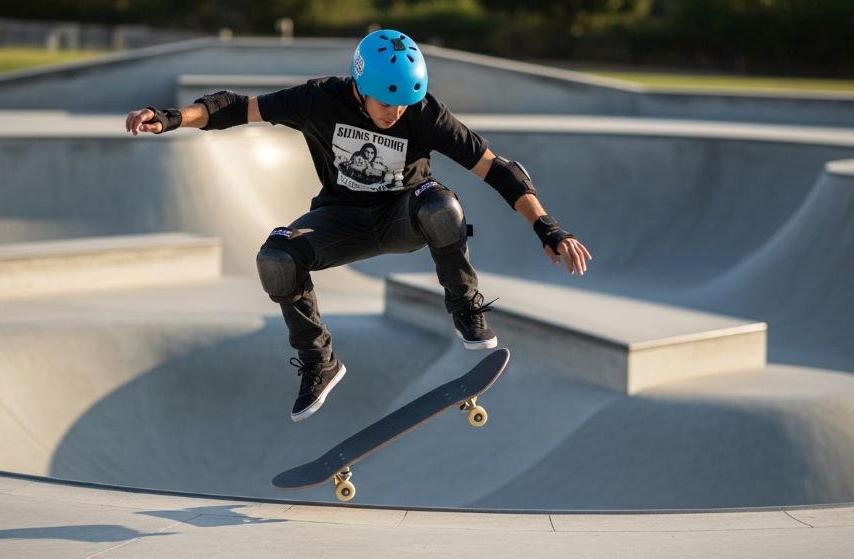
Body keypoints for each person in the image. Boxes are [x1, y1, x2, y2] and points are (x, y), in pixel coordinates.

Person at [125, 29, 592, 422]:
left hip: (404, 217)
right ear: (358, 86)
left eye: (405, 105)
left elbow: (500, 170)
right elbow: (234, 107)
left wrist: (549, 228)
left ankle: (466, 307)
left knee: (441, 205)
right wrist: (169, 119)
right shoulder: (318, 100)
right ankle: (319, 360)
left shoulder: (427, 114)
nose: (396, 115)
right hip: (340, 219)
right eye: (386, 104)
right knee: (276, 258)